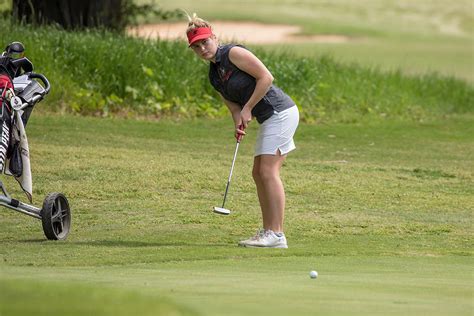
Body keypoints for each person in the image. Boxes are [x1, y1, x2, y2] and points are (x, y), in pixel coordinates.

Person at [186, 13, 299, 248]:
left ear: (214, 37)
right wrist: (239, 121)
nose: (202, 49)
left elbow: (266, 78)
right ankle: (269, 231)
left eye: (204, 42)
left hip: (280, 113)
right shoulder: (213, 75)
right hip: (268, 118)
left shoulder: (233, 53)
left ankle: (277, 234)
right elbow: (233, 107)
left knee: (268, 172)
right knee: (258, 173)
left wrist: (249, 108)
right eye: (196, 47)